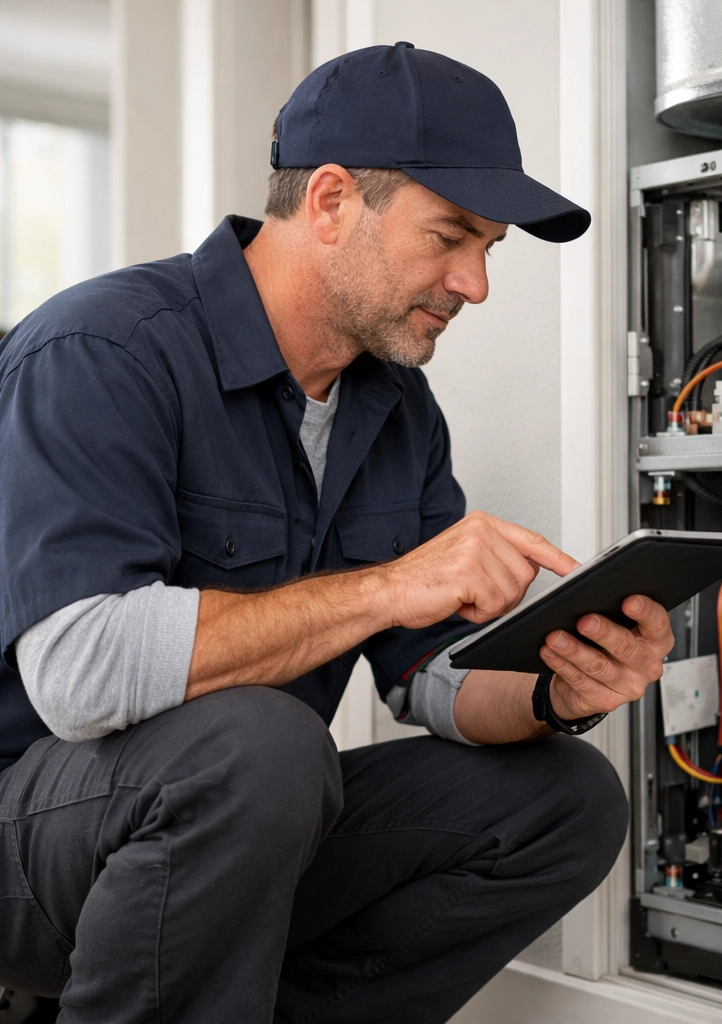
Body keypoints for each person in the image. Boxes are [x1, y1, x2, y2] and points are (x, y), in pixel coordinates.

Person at [0, 43, 673, 1023]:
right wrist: (385, 585)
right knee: (259, 743)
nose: (475, 282)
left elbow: (428, 675)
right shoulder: (101, 352)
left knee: (565, 799)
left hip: (228, 823)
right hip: (29, 837)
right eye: (450, 236)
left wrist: (552, 687)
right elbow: (78, 673)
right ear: (327, 202)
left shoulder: (396, 410)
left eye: (489, 247)